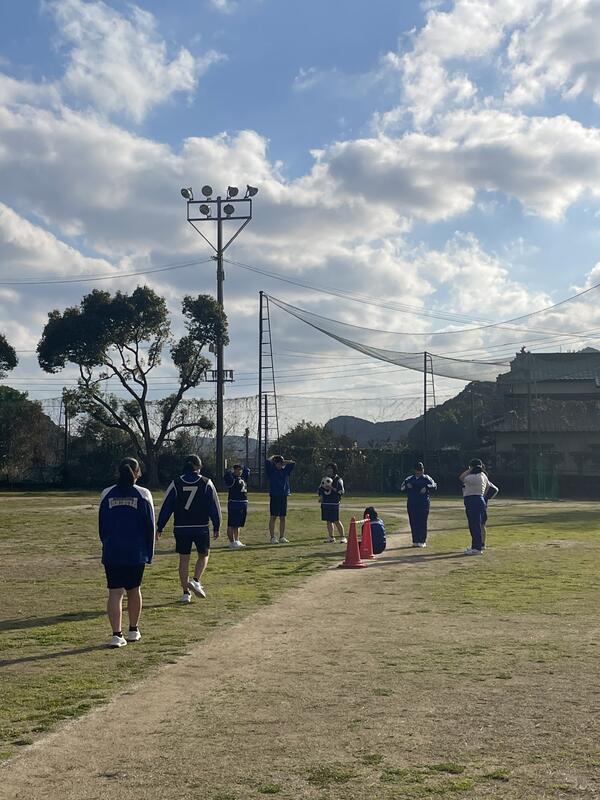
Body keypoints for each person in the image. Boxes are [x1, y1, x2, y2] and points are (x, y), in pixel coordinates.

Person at [99, 457, 155, 648]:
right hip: (135, 551)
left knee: (115, 592)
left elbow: (102, 525)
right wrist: (149, 553)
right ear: (137, 473)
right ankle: (133, 630)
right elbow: (150, 525)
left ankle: (116, 634)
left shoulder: (107, 493)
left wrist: (107, 544)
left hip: (112, 550)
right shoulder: (143, 494)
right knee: (134, 590)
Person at [157, 455, 221, 602]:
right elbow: (214, 506)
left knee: (184, 559)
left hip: (181, 527)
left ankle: (186, 593)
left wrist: (160, 526)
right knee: (204, 555)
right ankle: (196, 580)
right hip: (201, 526)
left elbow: (167, 506)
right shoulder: (206, 482)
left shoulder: (176, 483)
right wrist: (216, 525)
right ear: (198, 466)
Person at [458, 458, 499, 555]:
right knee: (477, 524)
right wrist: (483, 495)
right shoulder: (483, 475)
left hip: (472, 500)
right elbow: (488, 487)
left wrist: (470, 469)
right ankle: (476, 546)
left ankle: (477, 548)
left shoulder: (471, 477)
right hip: (480, 499)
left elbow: (461, 477)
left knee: (474, 525)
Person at [400, 462, 437, 547]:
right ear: (415, 470)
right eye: (418, 470)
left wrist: (426, 488)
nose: (420, 472)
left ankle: (422, 541)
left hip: (423, 503)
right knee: (413, 521)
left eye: (421, 470)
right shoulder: (409, 479)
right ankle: (415, 540)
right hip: (412, 503)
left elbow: (434, 485)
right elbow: (401, 488)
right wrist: (407, 486)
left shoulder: (426, 478)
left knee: (422, 521)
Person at [265, 454, 295, 544]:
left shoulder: (285, 470)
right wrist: (274, 457)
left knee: (282, 517)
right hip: (274, 496)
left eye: (281, 463)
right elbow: (267, 461)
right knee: (273, 516)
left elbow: (293, 463)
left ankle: (282, 537)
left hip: (283, 495)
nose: (279, 464)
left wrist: (284, 461)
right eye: (278, 463)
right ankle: (272, 537)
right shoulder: (271, 470)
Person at [223, 463, 250, 549]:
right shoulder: (232, 479)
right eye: (237, 469)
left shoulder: (243, 478)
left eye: (240, 469)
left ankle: (237, 540)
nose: (239, 471)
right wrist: (230, 471)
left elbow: (247, 470)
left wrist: (243, 466)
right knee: (231, 523)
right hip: (234, 503)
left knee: (237, 524)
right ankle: (232, 542)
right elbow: (226, 475)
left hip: (243, 502)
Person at [319, 462, 346, 543]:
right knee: (328, 520)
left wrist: (331, 488)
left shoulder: (338, 479)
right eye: (327, 469)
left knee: (336, 520)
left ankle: (343, 537)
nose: (329, 470)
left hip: (334, 503)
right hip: (326, 503)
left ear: (334, 470)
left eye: (330, 469)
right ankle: (331, 537)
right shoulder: (324, 479)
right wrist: (321, 497)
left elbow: (341, 491)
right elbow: (320, 489)